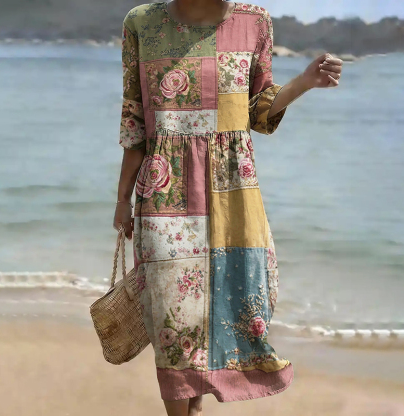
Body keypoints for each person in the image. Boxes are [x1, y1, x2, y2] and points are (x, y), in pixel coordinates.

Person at [113, 1, 343, 415]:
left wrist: (305, 82)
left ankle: (195, 405)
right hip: (164, 192)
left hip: (235, 191)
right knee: (173, 322)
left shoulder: (254, 22)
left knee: (232, 308)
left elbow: (258, 110)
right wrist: (122, 199)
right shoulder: (142, 23)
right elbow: (135, 120)